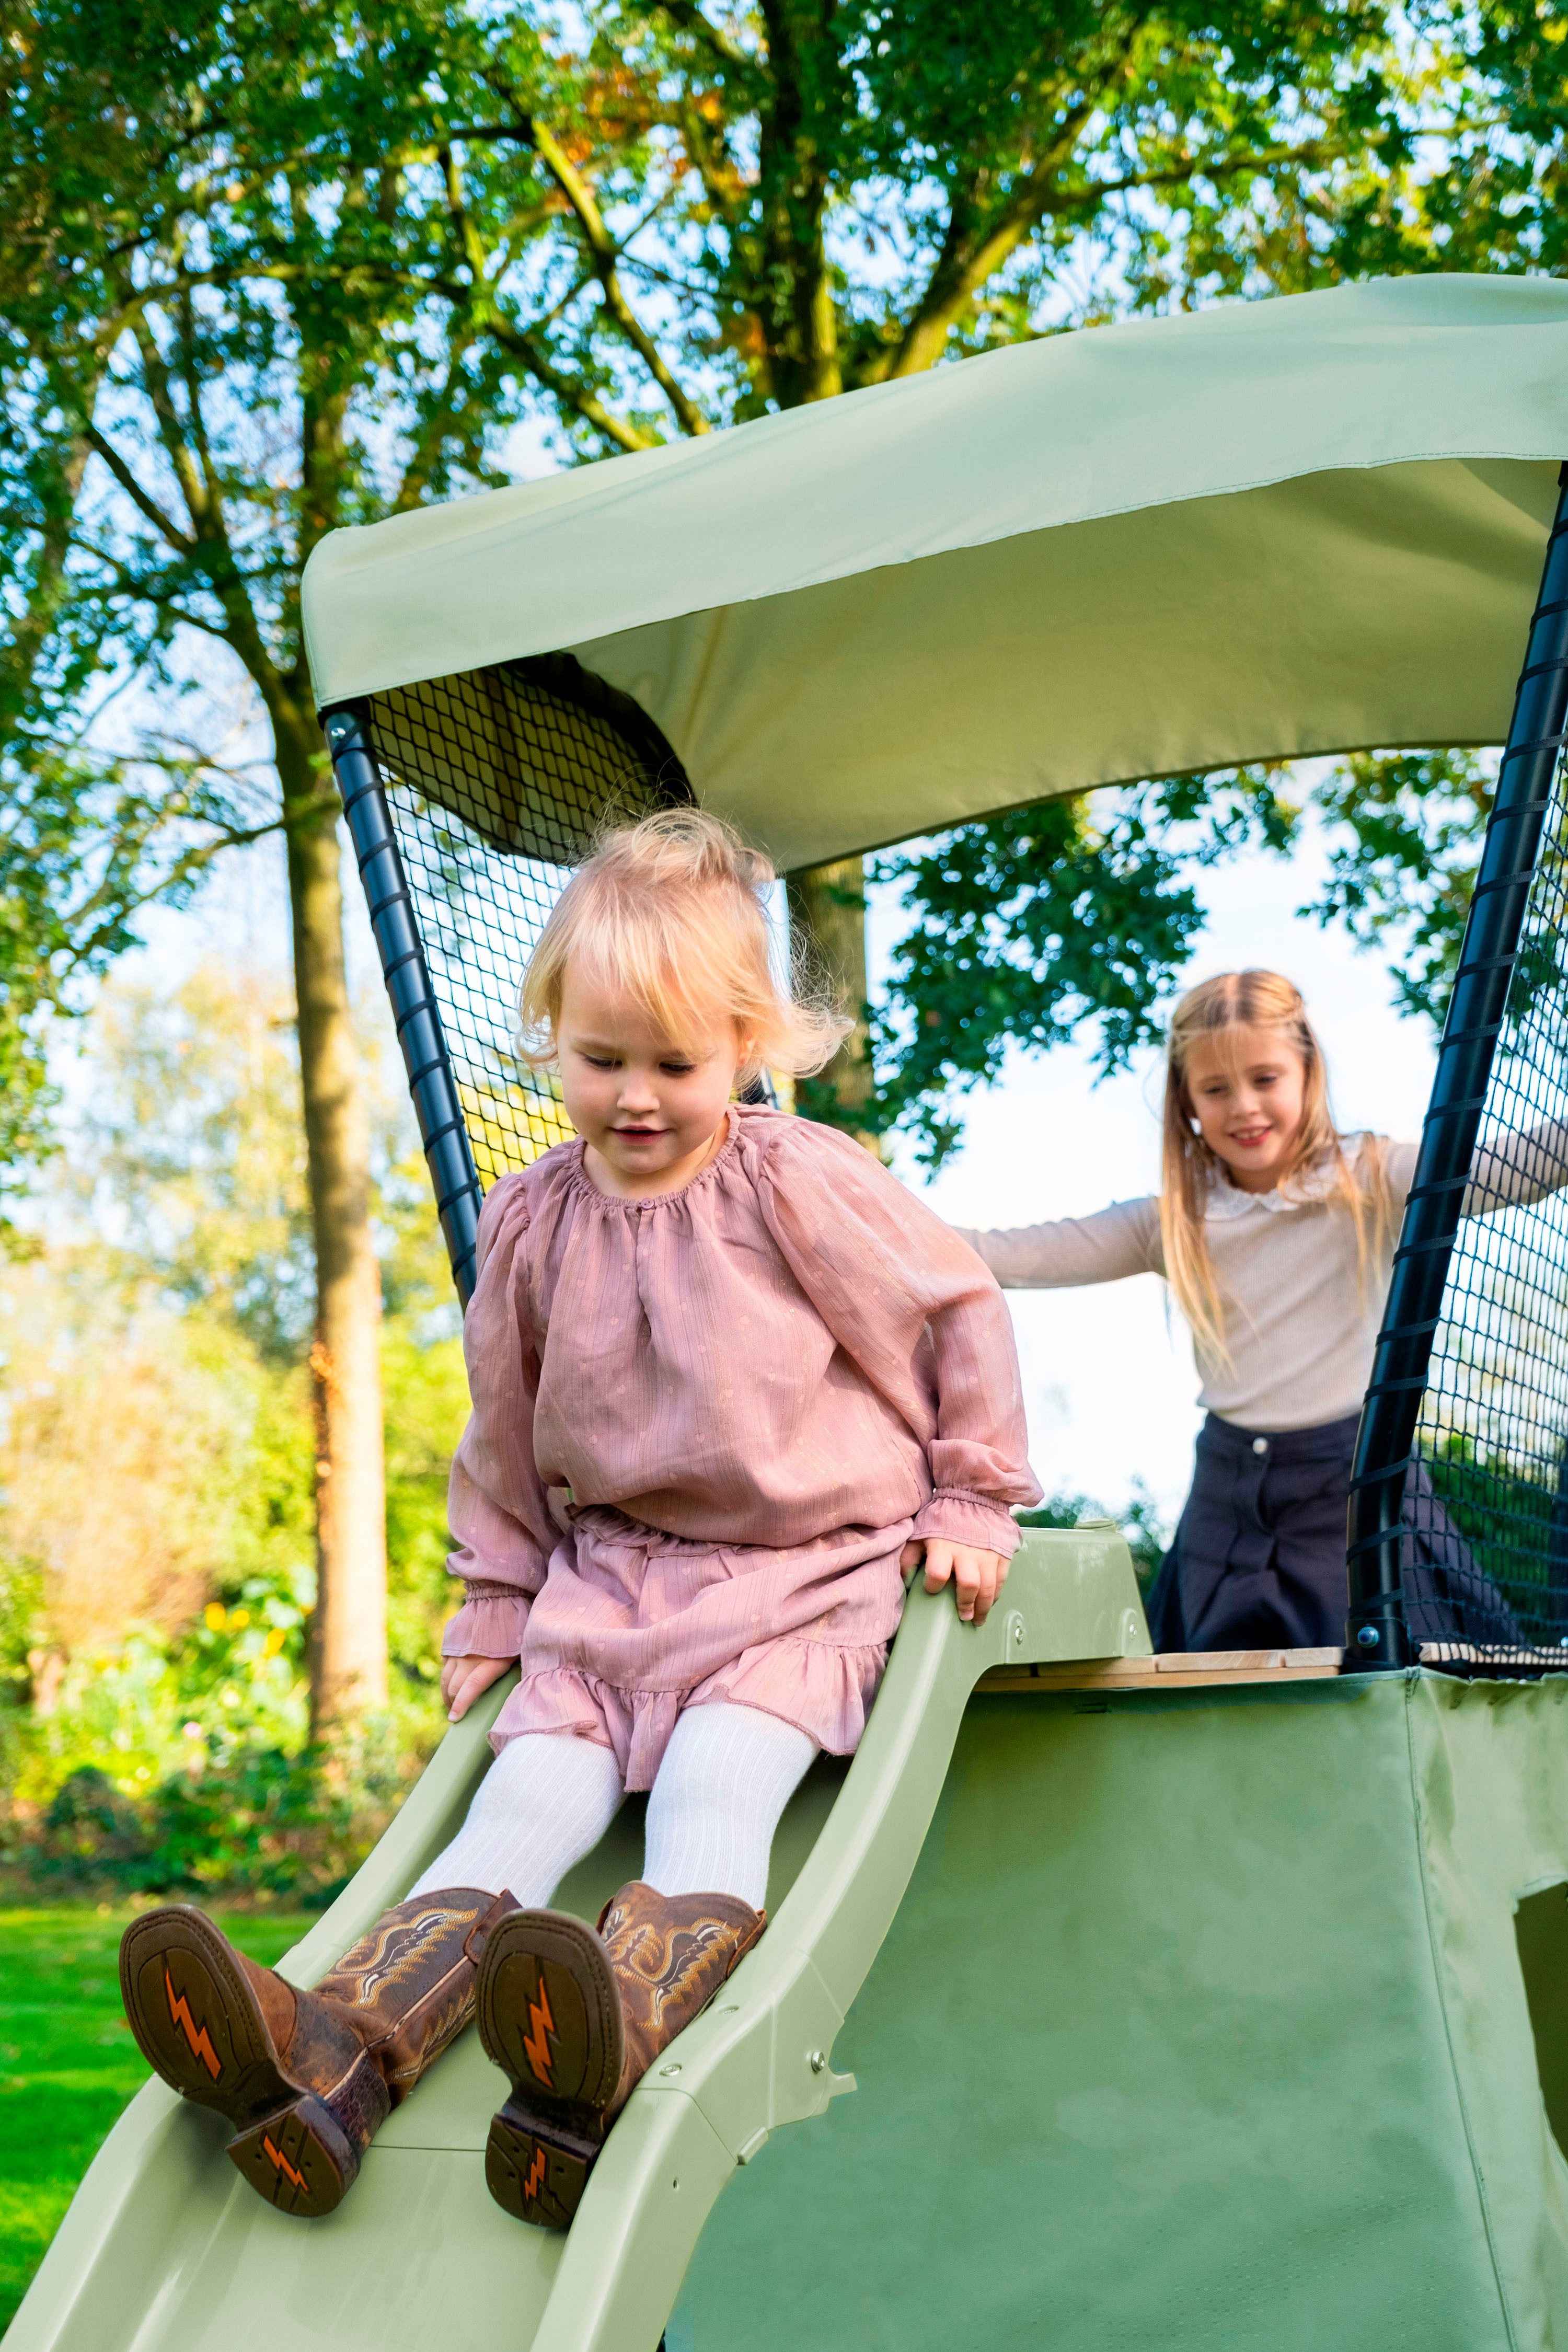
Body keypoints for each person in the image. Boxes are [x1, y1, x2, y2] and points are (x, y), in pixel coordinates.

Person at [120, 809, 1039, 2232]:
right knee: (523, 1797)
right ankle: (327, 2063)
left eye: (677, 1063)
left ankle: (597, 2063)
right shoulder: (536, 1220)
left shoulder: (795, 1181)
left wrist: (973, 1493)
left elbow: (957, 1308)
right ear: (552, 1036)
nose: (637, 1097)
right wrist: (493, 1605)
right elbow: (501, 1436)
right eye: (601, 1059)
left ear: (748, 1050)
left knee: (719, 1778)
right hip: (606, 1593)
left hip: (801, 1577)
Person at [956, 968, 1554, 1659]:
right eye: (1216, 1089)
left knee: (1390, 1685)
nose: (1243, 1106)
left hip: (1356, 1483)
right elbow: (1008, 1254)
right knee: (1214, 1693)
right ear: (1188, 1103)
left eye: (1265, 1079)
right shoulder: (1175, 1221)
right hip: (1229, 1494)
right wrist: (851, 1215)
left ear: (1307, 1073)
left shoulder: (1371, 1178)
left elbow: (1517, 1165)